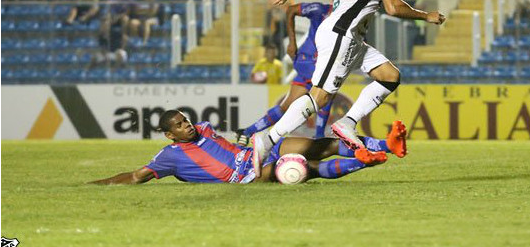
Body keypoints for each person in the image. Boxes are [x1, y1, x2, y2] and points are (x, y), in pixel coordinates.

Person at [252, 0, 446, 178]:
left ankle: (347, 123)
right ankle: (267, 140)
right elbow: (393, 7)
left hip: (350, 38)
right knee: (319, 97)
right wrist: (426, 16)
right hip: (341, 36)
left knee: (389, 76)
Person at [90, 110, 407, 185]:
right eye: (178, 125)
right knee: (301, 168)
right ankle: (368, 159)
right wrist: (98, 183)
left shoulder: (204, 129)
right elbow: (134, 177)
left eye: (185, 120)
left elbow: (226, 140)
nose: (187, 125)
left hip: (255, 151)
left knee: (319, 144)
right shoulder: (169, 157)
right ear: (169, 135)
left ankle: (386, 146)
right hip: (245, 174)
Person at [237, 1, 334, 143]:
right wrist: (292, 42)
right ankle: (319, 137)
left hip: (316, 64)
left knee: (286, 105)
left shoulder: (348, 18)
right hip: (308, 60)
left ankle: (247, 132)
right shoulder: (320, 10)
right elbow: (291, 10)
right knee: (328, 90)